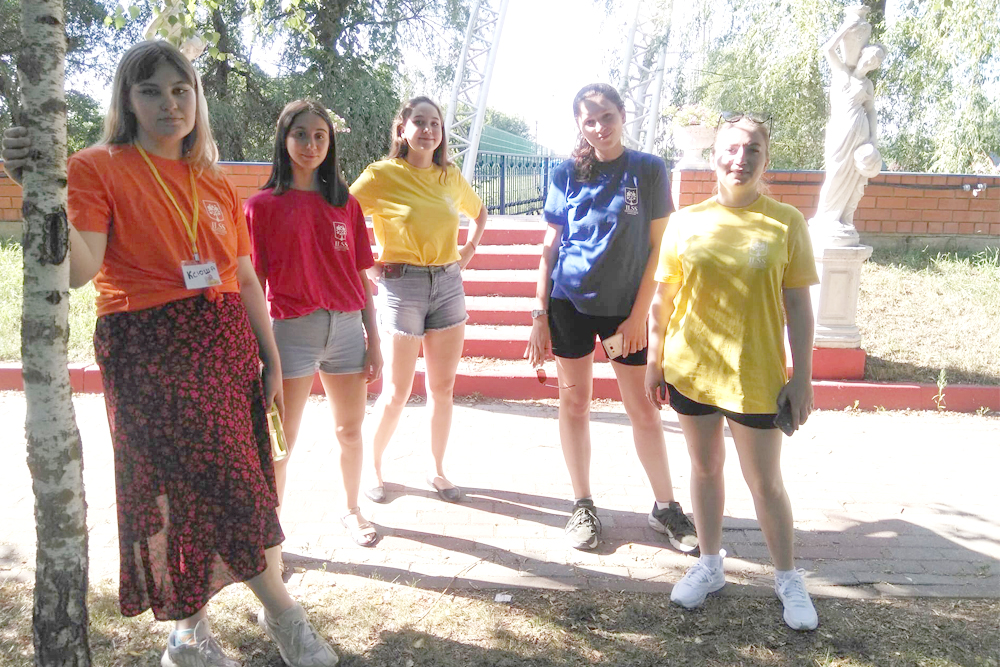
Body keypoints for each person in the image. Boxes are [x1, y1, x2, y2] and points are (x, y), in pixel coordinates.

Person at [3, 41, 338, 666]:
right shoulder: (96, 167)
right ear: (127, 100)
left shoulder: (213, 178)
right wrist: (39, 192)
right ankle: (284, 616)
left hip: (226, 343)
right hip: (149, 346)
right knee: (207, 485)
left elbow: (243, 279)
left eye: (181, 90)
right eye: (151, 91)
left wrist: (269, 359)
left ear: (196, 99)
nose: (169, 104)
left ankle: (187, 636)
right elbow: (79, 269)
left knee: (223, 484)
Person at [645, 113, 820, 631]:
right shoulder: (685, 222)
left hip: (757, 375)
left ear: (766, 159)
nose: (740, 159)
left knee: (765, 482)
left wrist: (803, 376)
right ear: (714, 155)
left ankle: (787, 577)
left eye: (752, 150)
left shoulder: (786, 222)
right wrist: (655, 361)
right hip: (691, 370)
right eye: (731, 148)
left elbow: (799, 306)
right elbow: (663, 299)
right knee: (704, 469)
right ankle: (709, 564)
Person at [524, 83, 698, 553]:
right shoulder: (565, 173)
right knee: (574, 404)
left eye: (607, 116)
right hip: (568, 304)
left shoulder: (648, 169)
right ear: (579, 125)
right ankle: (582, 504)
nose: (599, 127)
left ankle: (665, 507)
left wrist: (640, 315)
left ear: (622, 114)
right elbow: (550, 248)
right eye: (590, 120)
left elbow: (661, 248)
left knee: (643, 408)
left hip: (627, 310)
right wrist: (539, 312)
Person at [245, 99, 382, 548]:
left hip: (347, 333)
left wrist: (374, 340)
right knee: (281, 441)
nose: (310, 144)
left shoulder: (346, 205)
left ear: (331, 143)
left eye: (320, 136)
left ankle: (352, 509)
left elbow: (361, 278)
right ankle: (271, 538)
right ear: (283, 140)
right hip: (291, 334)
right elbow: (253, 284)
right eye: (300, 134)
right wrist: (260, 351)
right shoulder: (261, 207)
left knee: (350, 430)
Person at [349, 96, 487, 504]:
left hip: (447, 286)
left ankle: (437, 470)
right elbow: (343, 217)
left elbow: (479, 213)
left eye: (435, 124)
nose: (428, 130)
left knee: (442, 388)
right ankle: (373, 468)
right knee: (397, 390)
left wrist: (468, 251)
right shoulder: (381, 175)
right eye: (420, 122)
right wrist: (367, 266)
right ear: (402, 130)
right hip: (401, 287)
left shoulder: (449, 176)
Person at [812, 12, 886, 236]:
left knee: (855, 180)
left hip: (861, 137)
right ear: (863, 53)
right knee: (836, 173)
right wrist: (845, 27)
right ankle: (826, 218)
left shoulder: (868, 85)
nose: (871, 62)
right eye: (871, 57)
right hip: (840, 132)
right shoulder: (842, 73)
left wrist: (873, 138)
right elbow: (827, 49)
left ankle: (844, 218)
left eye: (877, 62)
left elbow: (871, 111)